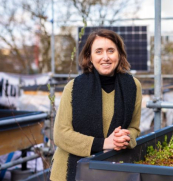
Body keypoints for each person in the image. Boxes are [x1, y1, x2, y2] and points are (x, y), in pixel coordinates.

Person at [50, 29, 142, 181]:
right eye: (98, 51)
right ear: (90, 57)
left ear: (119, 54)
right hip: (68, 172)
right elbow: (60, 134)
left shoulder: (133, 86)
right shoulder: (73, 88)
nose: (105, 57)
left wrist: (124, 139)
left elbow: (134, 128)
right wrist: (105, 143)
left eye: (110, 51)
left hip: (110, 171)